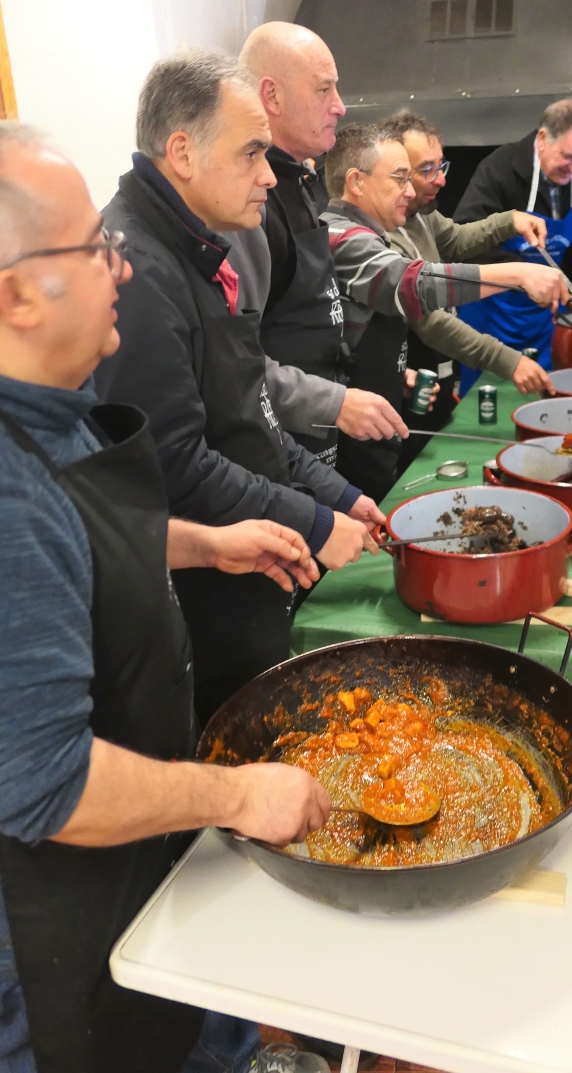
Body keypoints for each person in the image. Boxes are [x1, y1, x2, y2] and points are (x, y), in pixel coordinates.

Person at [0, 121, 332, 1073]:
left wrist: (202, 544)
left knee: (197, 1017)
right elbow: (43, 785)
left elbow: (68, 539)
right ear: (15, 296)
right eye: (94, 248)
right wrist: (239, 794)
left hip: (135, 840)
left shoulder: (33, 396)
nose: (118, 265)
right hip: (48, 913)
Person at [95, 53, 380, 723]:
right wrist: (312, 522)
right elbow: (174, 465)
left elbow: (251, 412)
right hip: (199, 605)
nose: (268, 175)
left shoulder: (199, 247)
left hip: (250, 576)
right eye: (252, 153)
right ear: (182, 153)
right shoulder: (140, 272)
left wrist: (336, 494)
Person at [322, 123, 568, 500]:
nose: (411, 190)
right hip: (350, 441)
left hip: (379, 417)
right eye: (402, 177)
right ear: (356, 182)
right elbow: (412, 286)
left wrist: (394, 375)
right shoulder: (343, 238)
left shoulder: (375, 229)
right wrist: (517, 275)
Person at [236, 21, 405, 464]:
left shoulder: (300, 182)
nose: (340, 106)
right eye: (323, 89)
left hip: (319, 438)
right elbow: (237, 366)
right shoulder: (247, 206)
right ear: (271, 96)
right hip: (276, 451)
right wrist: (331, 402)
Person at [381, 111, 553, 451]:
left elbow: (457, 239)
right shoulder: (383, 236)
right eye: (427, 169)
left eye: (441, 167)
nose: (441, 180)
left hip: (440, 371)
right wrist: (508, 360)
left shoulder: (421, 214)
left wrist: (510, 220)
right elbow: (431, 321)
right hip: (407, 382)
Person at [453, 96, 572, 389]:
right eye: (568, 157)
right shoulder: (499, 169)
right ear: (543, 138)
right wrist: (524, 275)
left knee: (546, 399)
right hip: (490, 320)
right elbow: (464, 245)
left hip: (545, 322)